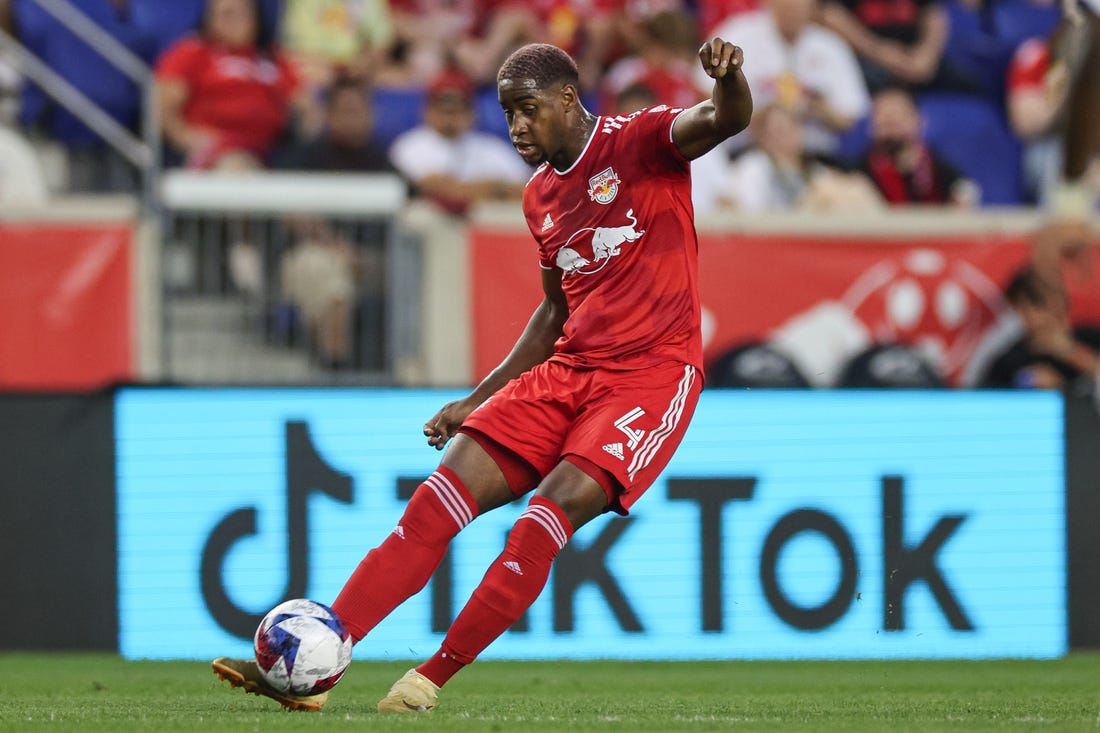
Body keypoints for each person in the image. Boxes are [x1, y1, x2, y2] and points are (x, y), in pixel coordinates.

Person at [211, 35, 753, 713]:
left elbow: (725, 119)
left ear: (566, 96)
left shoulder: (639, 141)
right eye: (507, 114)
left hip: (650, 376)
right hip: (570, 370)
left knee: (541, 519)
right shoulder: (540, 198)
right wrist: (478, 398)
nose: (517, 126)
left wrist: (730, 79)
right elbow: (555, 310)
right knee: (431, 507)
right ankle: (326, 652)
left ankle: (428, 678)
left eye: (527, 109)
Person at [706, 0, 869, 156]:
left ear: (813, 6)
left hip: (817, 155)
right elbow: (706, 102)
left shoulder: (830, 45)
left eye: (799, 5)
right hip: (751, 152)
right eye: (786, 6)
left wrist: (817, 109)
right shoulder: (737, 35)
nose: (792, 11)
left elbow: (852, 117)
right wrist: (760, 114)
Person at [155, 0, 300, 170]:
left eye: (244, 13)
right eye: (228, 14)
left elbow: (300, 100)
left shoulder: (271, 57)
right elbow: (160, 106)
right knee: (237, 167)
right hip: (217, 152)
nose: (238, 20)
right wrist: (186, 138)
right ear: (209, 19)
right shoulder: (192, 52)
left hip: (272, 149)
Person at [388, 67, 531, 216]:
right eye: (443, 109)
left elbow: (527, 190)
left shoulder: (492, 147)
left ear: (471, 112)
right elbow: (436, 189)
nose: (449, 117)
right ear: (427, 110)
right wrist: (495, 189)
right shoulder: (409, 145)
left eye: (458, 109)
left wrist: (462, 190)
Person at [977, 265, 1100, 390]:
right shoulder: (1008, 360)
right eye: (1038, 303)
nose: (1052, 310)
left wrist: (1073, 353)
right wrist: (1025, 380)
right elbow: (988, 396)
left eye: (1059, 298)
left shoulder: (1092, 338)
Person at [854, 86, 978, 205]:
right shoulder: (858, 173)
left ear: (919, 120)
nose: (890, 122)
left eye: (897, 116)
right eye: (882, 117)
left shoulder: (937, 165)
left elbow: (964, 189)